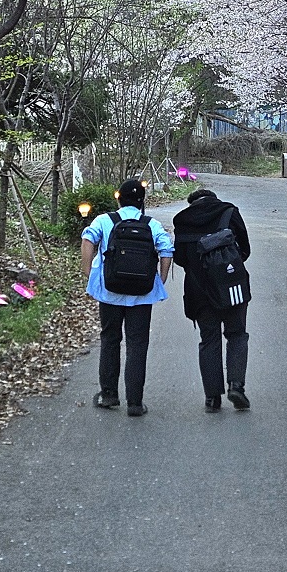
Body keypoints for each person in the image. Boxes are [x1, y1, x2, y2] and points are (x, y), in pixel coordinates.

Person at [81, 177, 173, 416]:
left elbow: (88, 239)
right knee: (137, 344)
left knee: (110, 339)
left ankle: (109, 395)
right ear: (142, 202)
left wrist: (89, 272)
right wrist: (160, 279)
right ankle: (135, 402)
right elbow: (166, 250)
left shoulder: (104, 220)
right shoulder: (151, 224)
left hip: (109, 291)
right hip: (141, 295)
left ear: (119, 199)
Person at [173, 187, 251, 412]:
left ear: (192, 203)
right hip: (231, 285)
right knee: (236, 334)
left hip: (199, 289)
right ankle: (236, 386)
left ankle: (212, 398)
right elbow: (245, 249)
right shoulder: (229, 212)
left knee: (209, 340)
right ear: (213, 199)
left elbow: (179, 258)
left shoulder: (182, 220)